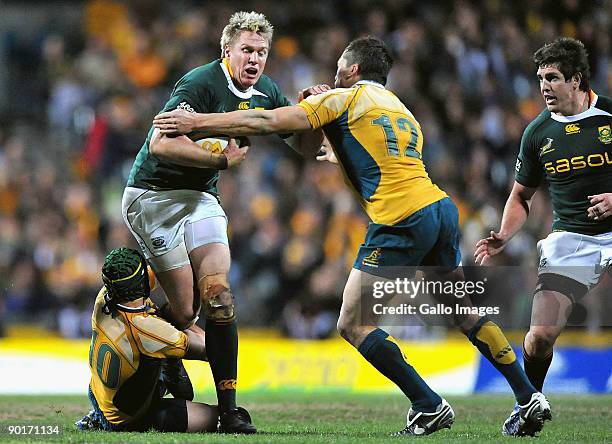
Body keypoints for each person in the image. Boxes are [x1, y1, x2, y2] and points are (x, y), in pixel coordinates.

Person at [153, 36, 550, 436]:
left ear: (353, 69)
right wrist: (331, 143)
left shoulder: (344, 98)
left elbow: (267, 121)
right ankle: (529, 395)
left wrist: (196, 121)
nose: (335, 72)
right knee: (463, 312)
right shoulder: (400, 110)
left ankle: (428, 405)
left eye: (340, 65)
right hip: (440, 208)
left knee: (353, 323)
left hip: (400, 217)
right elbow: (368, 160)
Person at [122, 11, 322, 433]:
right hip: (152, 196)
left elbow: (305, 147)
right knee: (184, 309)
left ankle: (229, 409)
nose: (255, 59)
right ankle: (163, 357)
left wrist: (314, 111)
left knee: (219, 298)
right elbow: (160, 144)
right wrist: (219, 160)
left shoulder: (267, 91)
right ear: (226, 50)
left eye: (262, 52)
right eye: (247, 50)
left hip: (200, 199)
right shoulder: (200, 83)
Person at [474, 37, 611, 435]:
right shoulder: (538, 133)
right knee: (538, 339)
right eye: (540, 78)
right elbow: (521, 195)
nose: (545, 86)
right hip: (572, 240)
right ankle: (529, 407)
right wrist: (503, 232)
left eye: (552, 77)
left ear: (577, 80)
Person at [78, 247, 256, 433]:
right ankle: (167, 368)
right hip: (127, 417)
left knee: (169, 365)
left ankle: (98, 416)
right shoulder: (150, 330)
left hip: (102, 396)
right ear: (141, 283)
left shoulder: (103, 298)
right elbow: (211, 350)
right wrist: (191, 315)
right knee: (236, 416)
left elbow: (160, 275)